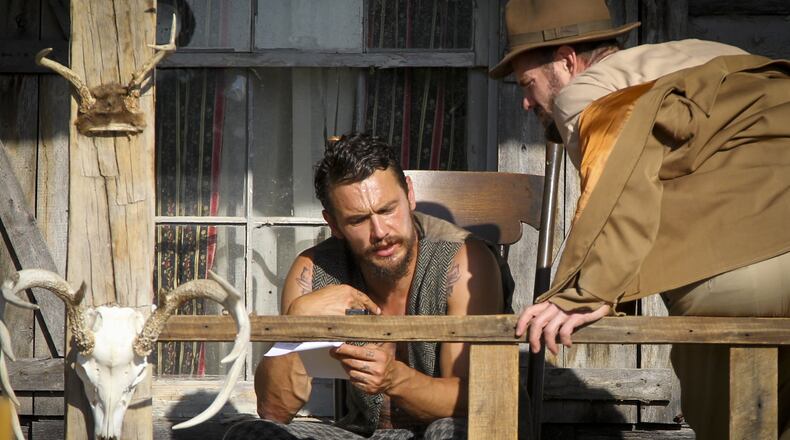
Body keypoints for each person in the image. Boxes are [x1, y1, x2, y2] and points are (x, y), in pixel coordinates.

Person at [490, 0, 790, 439]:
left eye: (528, 83)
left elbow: (620, 180)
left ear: (567, 61)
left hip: (740, 282)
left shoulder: (587, 93)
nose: (525, 101)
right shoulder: (710, 53)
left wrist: (585, 289)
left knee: (735, 426)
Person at [224, 133, 506, 440]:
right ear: (333, 224)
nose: (380, 232)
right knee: (250, 434)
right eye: (358, 220)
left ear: (409, 194)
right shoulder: (314, 271)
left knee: (448, 433)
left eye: (387, 210)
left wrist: (395, 379)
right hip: (362, 434)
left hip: (444, 430)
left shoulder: (462, 262)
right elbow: (274, 411)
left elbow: (480, 401)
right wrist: (297, 321)